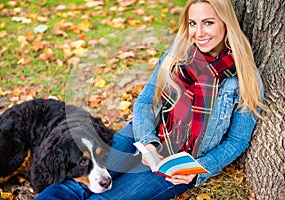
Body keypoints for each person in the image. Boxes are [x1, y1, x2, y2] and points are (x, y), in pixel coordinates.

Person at [36, 0, 266, 199]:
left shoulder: (244, 77)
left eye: (208, 22)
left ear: (226, 23)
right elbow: (146, 101)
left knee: (109, 198)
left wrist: (199, 170)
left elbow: (237, 140)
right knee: (77, 186)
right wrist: (148, 142)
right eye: (192, 23)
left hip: (179, 163)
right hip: (139, 136)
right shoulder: (176, 56)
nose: (199, 33)